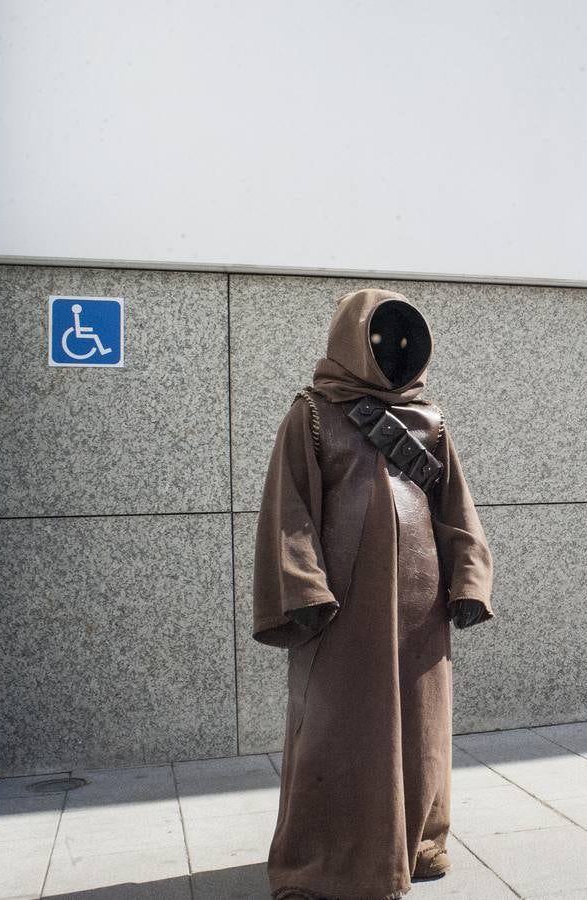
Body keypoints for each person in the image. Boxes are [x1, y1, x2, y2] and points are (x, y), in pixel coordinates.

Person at [252, 287, 494, 899]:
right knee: (336, 728)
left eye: (401, 341)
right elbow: (290, 508)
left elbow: (455, 509)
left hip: (419, 608)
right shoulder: (311, 413)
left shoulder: (430, 420)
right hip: (342, 609)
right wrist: (303, 586)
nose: (390, 351)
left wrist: (468, 579)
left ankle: (416, 844)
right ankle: (322, 863)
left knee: (420, 728)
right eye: (378, 338)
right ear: (350, 340)